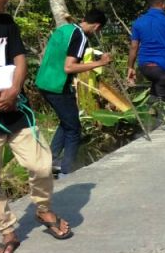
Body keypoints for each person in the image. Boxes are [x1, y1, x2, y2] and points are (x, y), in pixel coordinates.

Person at [0, 0, 72, 253]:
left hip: (17, 112)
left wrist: (14, 91)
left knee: (41, 165)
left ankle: (43, 210)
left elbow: (20, 60)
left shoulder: (5, 23)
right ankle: (7, 231)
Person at [35, 9, 111, 177]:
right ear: (97, 26)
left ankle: (51, 160)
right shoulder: (80, 37)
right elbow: (69, 67)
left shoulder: (65, 28)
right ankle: (68, 170)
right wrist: (99, 63)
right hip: (58, 86)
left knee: (66, 121)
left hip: (44, 81)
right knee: (74, 129)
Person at [127, 0, 165, 104]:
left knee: (156, 90)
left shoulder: (138, 22)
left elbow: (134, 47)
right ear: (163, 4)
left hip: (145, 67)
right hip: (162, 67)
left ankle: (151, 109)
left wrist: (130, 67)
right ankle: (159, 119)